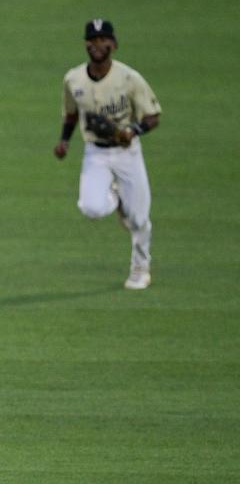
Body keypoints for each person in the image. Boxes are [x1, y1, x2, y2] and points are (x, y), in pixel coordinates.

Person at [54, 18, 162, 290]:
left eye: (103, 40)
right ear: (86, 45)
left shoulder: (129, 78)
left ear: (113, 44)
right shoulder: (73, 79)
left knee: (138, 219)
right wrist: (64, 142)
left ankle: (140, 267)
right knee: (91, 207)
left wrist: (133, 131)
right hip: (96, 153)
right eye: (92, 40)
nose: (97, 45)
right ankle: (116, 196)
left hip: (128, 153)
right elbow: (70, 114)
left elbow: (153, 116)